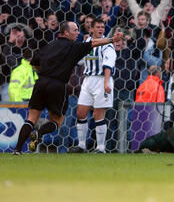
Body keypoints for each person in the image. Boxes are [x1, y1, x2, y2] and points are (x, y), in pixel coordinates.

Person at [12, 21, 123, 155]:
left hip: (41, 83)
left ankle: (17, 149)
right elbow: (93, 43)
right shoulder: (74, 46)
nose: (78, 33)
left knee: (31, 118)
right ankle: (39, 132)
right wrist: (112, 39)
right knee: (57, 121)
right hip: (57, 85)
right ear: (66, 32)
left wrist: (47, 72)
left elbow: (34, 63)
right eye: (75, 30)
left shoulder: (49, 45)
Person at [68, 18, 117, 154]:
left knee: (98, 114)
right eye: (98, 27)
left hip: (102, 80)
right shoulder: (87, 43)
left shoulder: (107, 45)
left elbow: (108, 65)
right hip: (88, 80)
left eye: (102, 27)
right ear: (92, 29)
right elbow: (80, 60)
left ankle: (101, 148)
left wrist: (106, 82)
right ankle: (81, 145)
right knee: (80, 112)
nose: (101, 29)